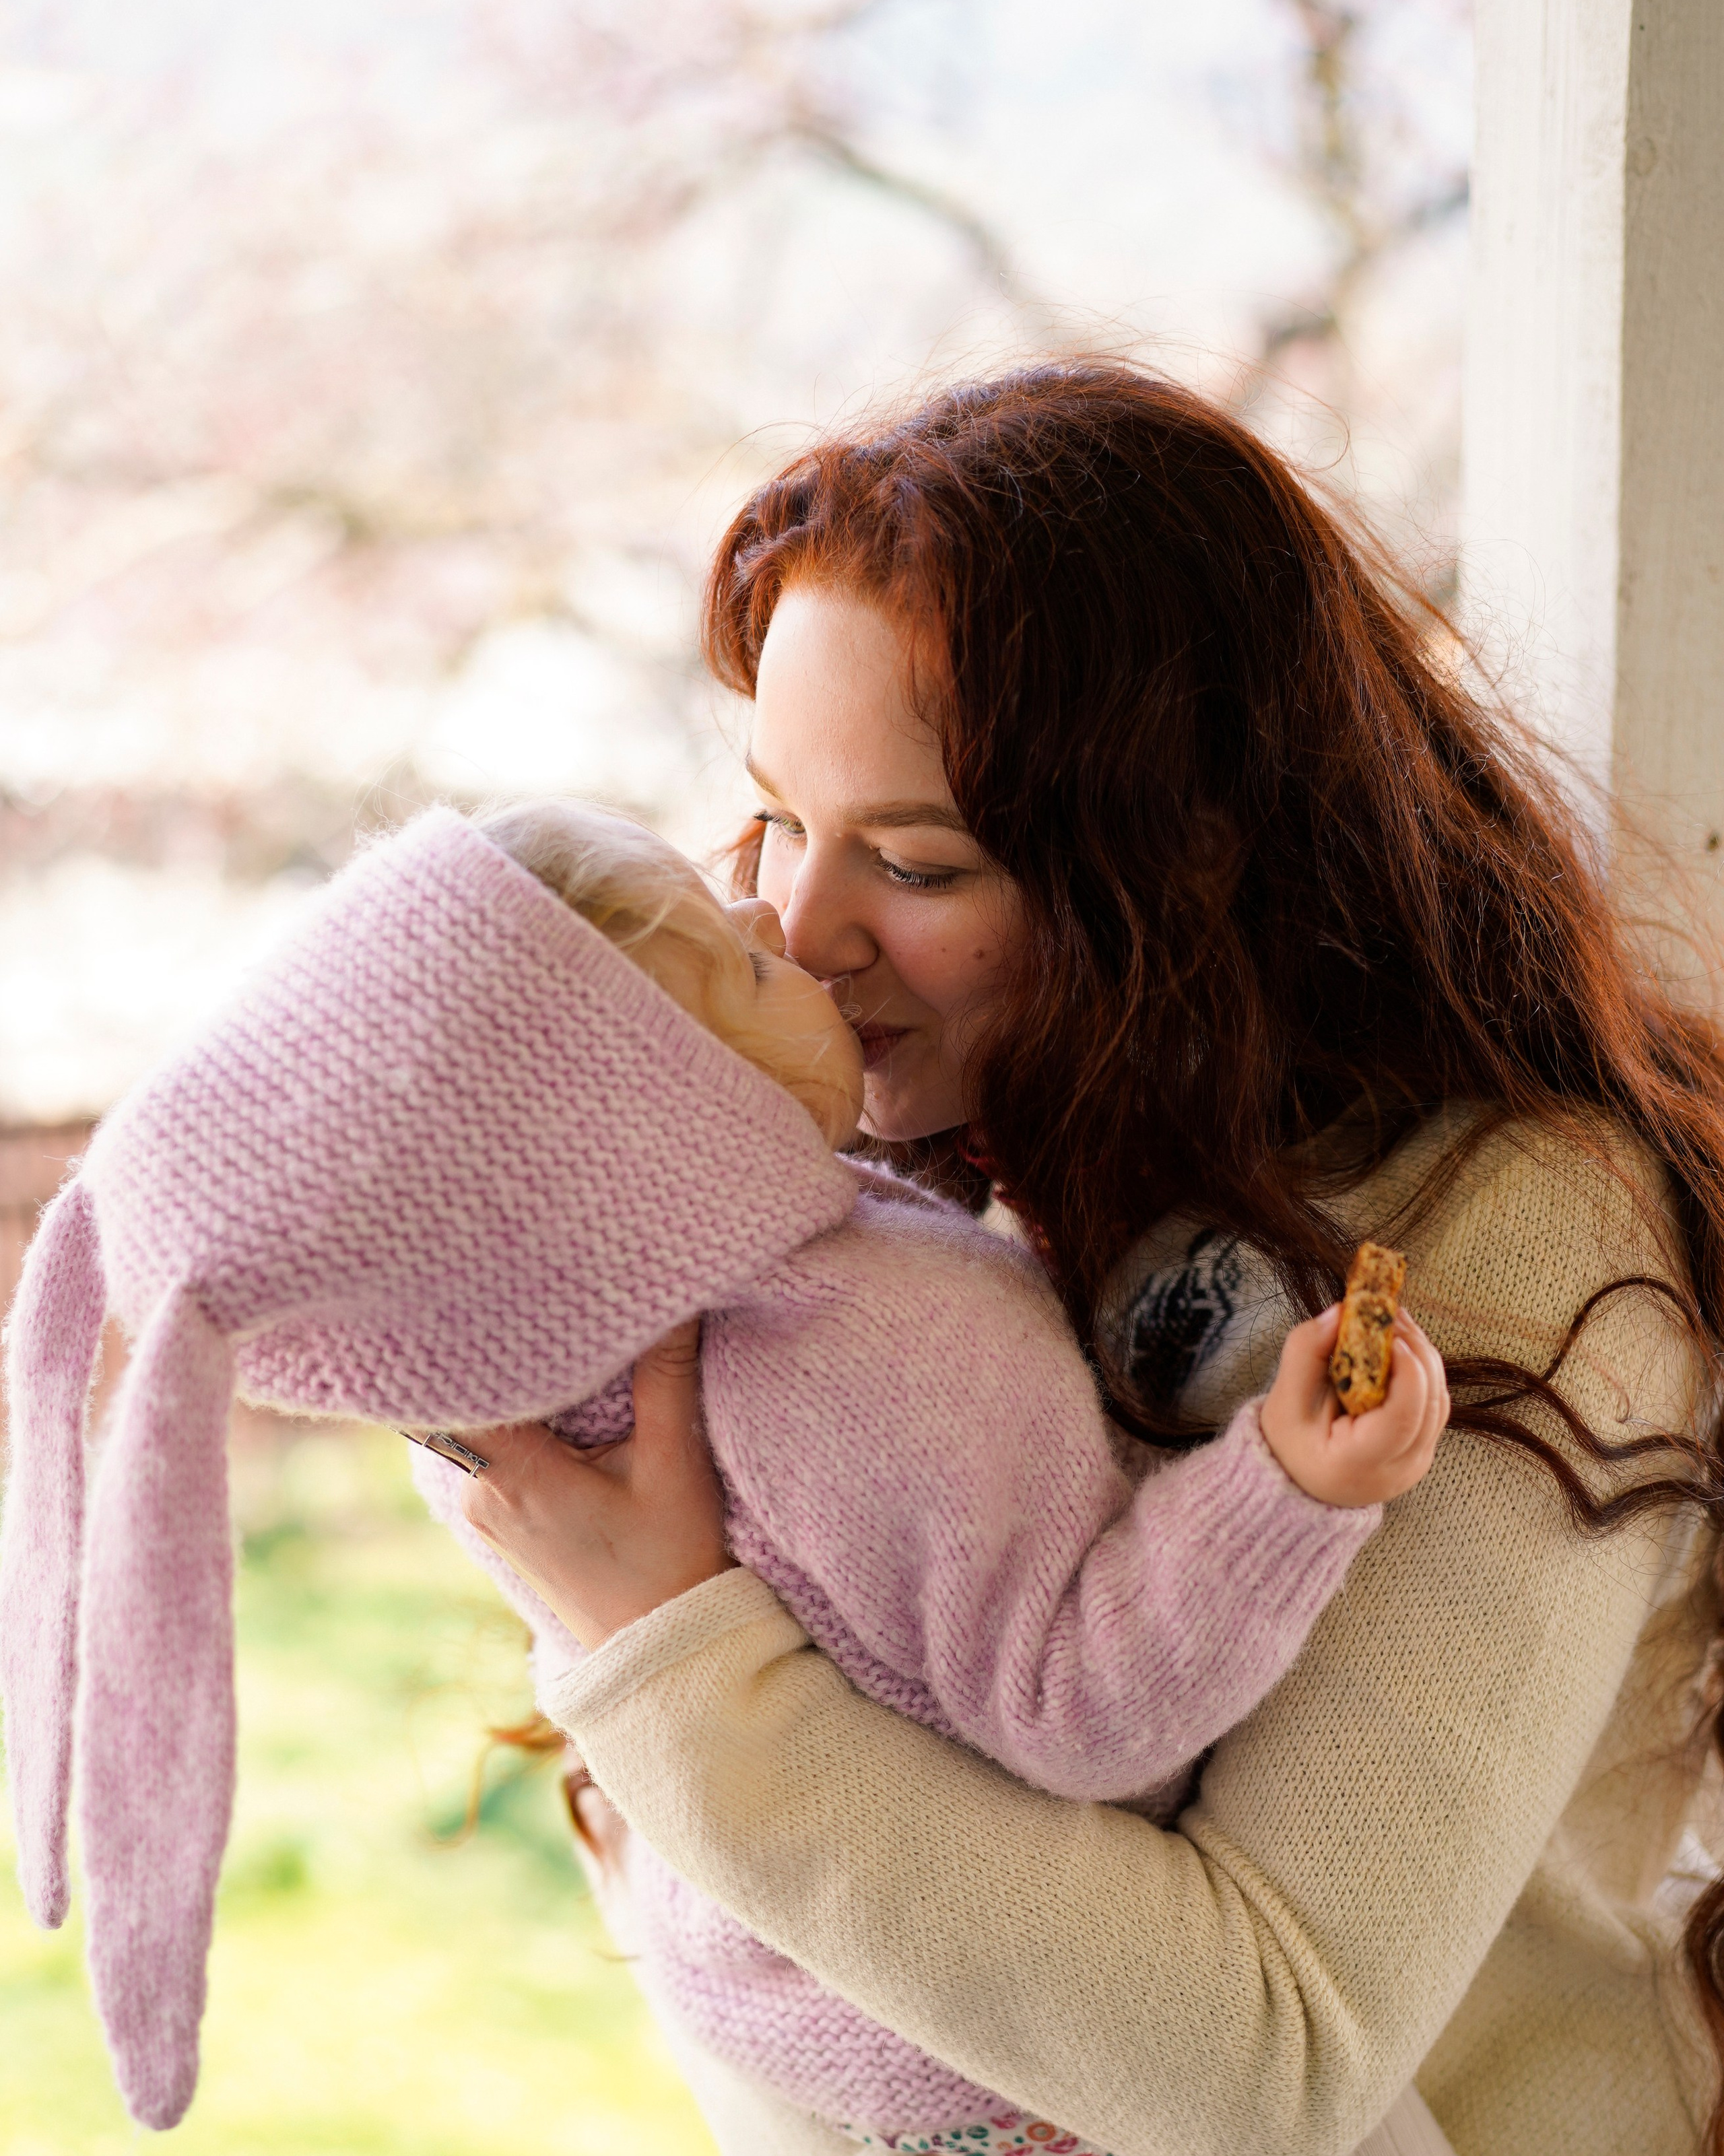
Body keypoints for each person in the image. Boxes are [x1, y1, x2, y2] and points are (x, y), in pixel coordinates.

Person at [454, 364, 1724, 2156]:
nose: (801, 932)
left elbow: (1266, 2061)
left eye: (912, 860)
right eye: (778, 819)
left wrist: (668, 1652)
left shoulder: (1507, 1227)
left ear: (1185, 868)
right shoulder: (884, 1199)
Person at [0, 798, 1443, 2147]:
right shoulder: (864, 1351)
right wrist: (1283, 1489)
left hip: (796, 2024)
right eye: (738, 966)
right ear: (649, 1133)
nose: (783, 926)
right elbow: (1078, 1701)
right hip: (1029, 2075)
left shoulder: (522, 1372)